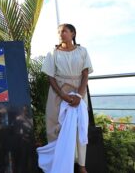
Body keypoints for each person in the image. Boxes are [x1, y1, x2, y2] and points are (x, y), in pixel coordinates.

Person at [41, 23, 93, 173]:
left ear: (73, 33)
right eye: (59, 31)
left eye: (64, 31)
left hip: (79, 90)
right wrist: (62, 95)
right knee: (54, 125)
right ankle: (58, 162)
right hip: (58, 91)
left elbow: (85, 74)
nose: (60, 33)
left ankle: (81, 165)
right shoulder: (53, 53)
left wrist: (79, 95)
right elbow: (50, 77)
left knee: (80, 125)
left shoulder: (82, 51)